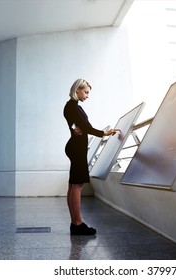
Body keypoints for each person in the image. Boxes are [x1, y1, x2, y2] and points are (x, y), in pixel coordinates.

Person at [63, 78, 120, 235]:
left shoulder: (72, 107)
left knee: (73, 185)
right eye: (86, 92)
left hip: (76, 146)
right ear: (77, 90)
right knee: (77, 185)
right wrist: (104, 133)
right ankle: (78, 224)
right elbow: (85, 127)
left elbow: (77, 127)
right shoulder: (72, 106)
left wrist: (79, 129)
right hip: (76, 148)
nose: (88, 95)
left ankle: (75, 223)